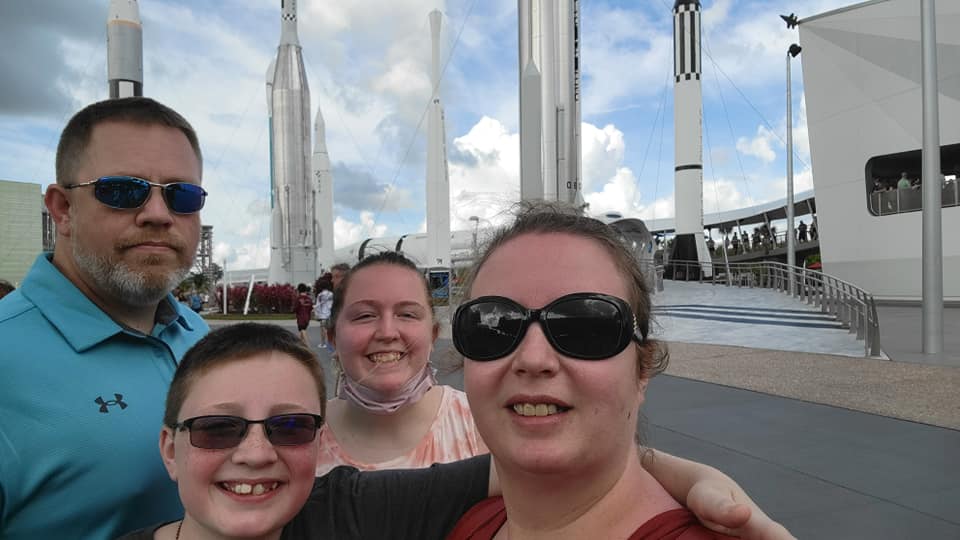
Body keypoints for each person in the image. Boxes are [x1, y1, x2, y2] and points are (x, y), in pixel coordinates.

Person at [123, 323, 793, 540]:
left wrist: (687, 478)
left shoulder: (344, 514)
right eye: (216, 429)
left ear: (319, 441)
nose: (256, 452)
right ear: (169, 449)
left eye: (291, 426)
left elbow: (539, 468)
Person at [446, 202, 794, 539]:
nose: (534, 359)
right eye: (491, 326)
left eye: (587, 327)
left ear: (642, 369)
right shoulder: (469, 522)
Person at [0, 97, 209, 540]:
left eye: (182, 195)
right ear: (62, 210)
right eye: (122, 190)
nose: (158, 214)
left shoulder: (200, 338)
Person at [316, 251, 487, 475]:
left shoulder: (481, 427)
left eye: (407, 314)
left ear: (433, 335)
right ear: (333, 339)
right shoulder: (302, 438)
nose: (387, 333)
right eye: (365, 316)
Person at [313, 277, 334, 348]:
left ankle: (323, 343)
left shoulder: (320, 295)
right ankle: (330, 343)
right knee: (330, 330)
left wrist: (317, 314)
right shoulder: (331, 294)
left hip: (323, 315)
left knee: (323, 330)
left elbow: (318, 306)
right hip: (330, 314)